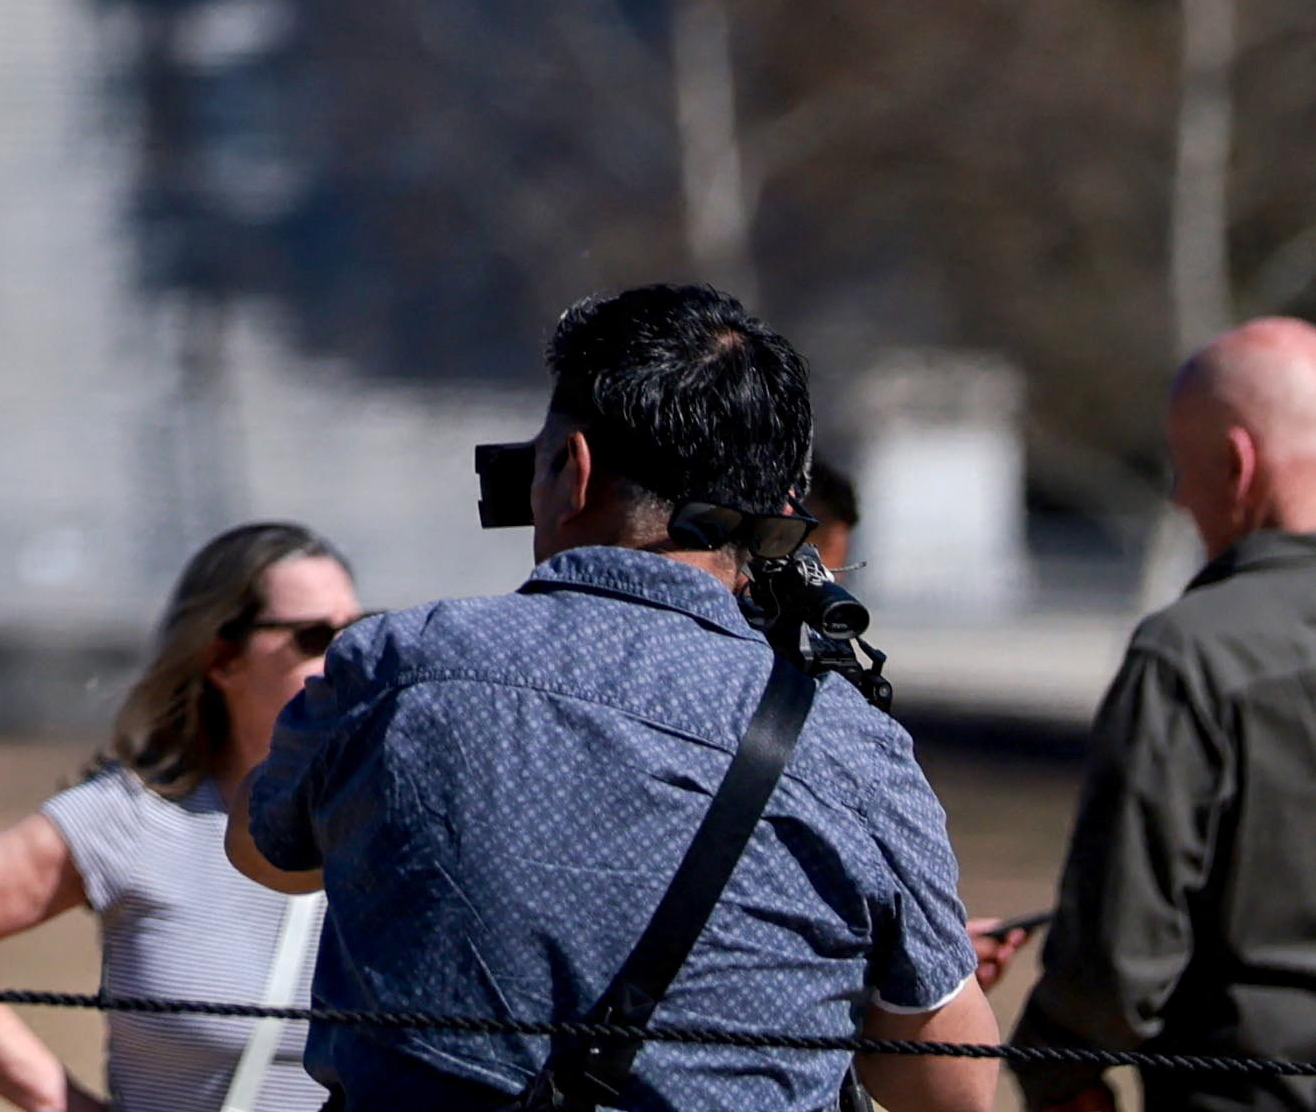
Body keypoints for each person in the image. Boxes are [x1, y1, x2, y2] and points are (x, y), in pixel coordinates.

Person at [237, 281, 992, 1112]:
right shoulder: (850, 747)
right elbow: (949, 1080)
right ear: (779, 510)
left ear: (574, 467)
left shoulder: (398, 665)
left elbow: (264, 847)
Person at [0, 526, 370, 1112]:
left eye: (360, 631)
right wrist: (58, 1102)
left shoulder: (398, 811)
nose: (347, 657)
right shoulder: (135, 816)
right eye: (314, 636)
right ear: (222, 658)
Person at [1008, 317, 1316, 1110]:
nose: (1179, 497)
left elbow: (1117, 952)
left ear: (1239, 465)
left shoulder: (1192, 654)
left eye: (1184, 470)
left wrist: (1055, 1067)